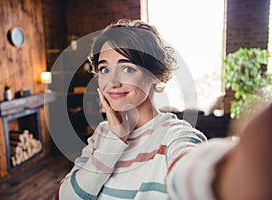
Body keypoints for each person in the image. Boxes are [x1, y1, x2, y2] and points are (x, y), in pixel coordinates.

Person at [55, 19, 272, 200]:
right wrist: (115, 139)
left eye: (127, 68)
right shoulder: (102, 135)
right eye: (104, 69)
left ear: (155, 74)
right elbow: (65, 196)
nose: (112, 81)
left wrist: (231, 175)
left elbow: (188, 164)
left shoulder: (176, 135)